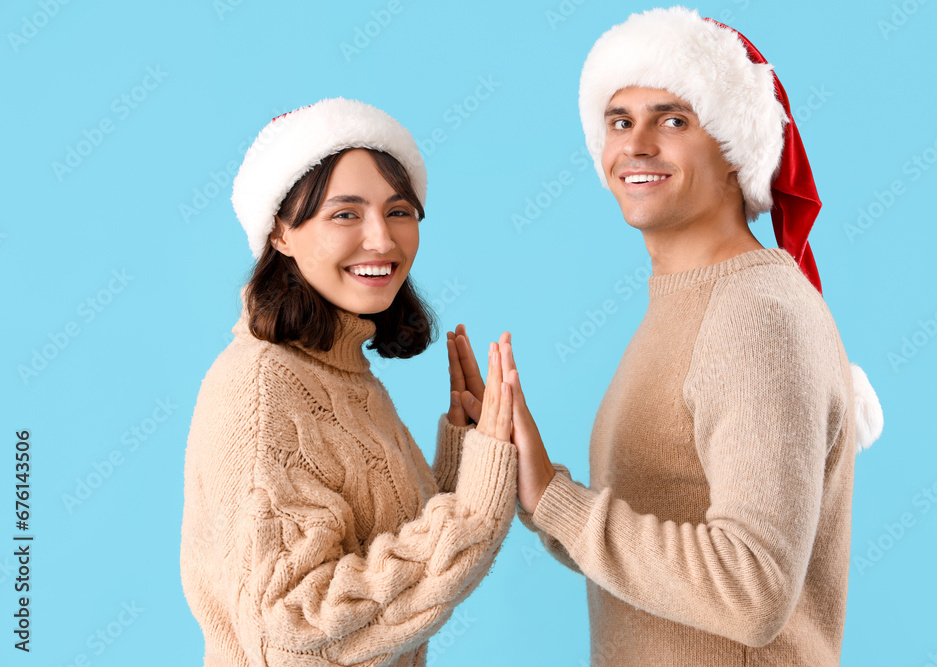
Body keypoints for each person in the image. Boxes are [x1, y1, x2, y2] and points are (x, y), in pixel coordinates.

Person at [453, 7, 885, 666]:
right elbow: (662, 569)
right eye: (620, 120)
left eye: (673, 119)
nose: (636, 143)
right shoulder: (691, 301)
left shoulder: (752, 314)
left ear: (736, 148)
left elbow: (751, 589)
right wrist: (529, 485)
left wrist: (557, 499)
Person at [179, 97, 520, 667]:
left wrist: (466, 461)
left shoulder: (342, 371)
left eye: (399, 212)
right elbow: (292, 635)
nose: (383, 241)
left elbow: (372, 563)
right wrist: (476, 514)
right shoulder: (262, 388)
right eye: (345, 214)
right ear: (280, 233)